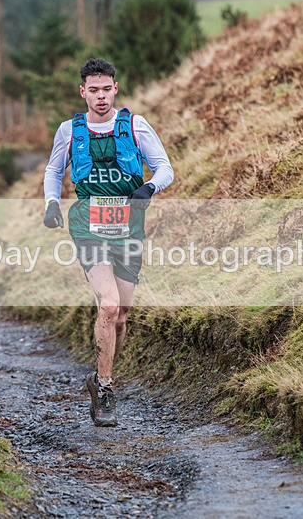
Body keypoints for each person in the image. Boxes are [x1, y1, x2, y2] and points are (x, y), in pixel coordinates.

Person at [42, 58, 174, 427]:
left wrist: (149, 186)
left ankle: (101, 374)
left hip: (129, 229)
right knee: (109, 306)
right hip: (89, 226)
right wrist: (51, 203)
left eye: (106, 89)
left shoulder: (135, 125)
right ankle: (104, 389)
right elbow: (54, 170)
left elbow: (165, 167)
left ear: (115, 88)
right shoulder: (70, 130)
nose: (100, 97)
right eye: (93, 90)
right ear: (83, 91)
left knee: (122, 319)